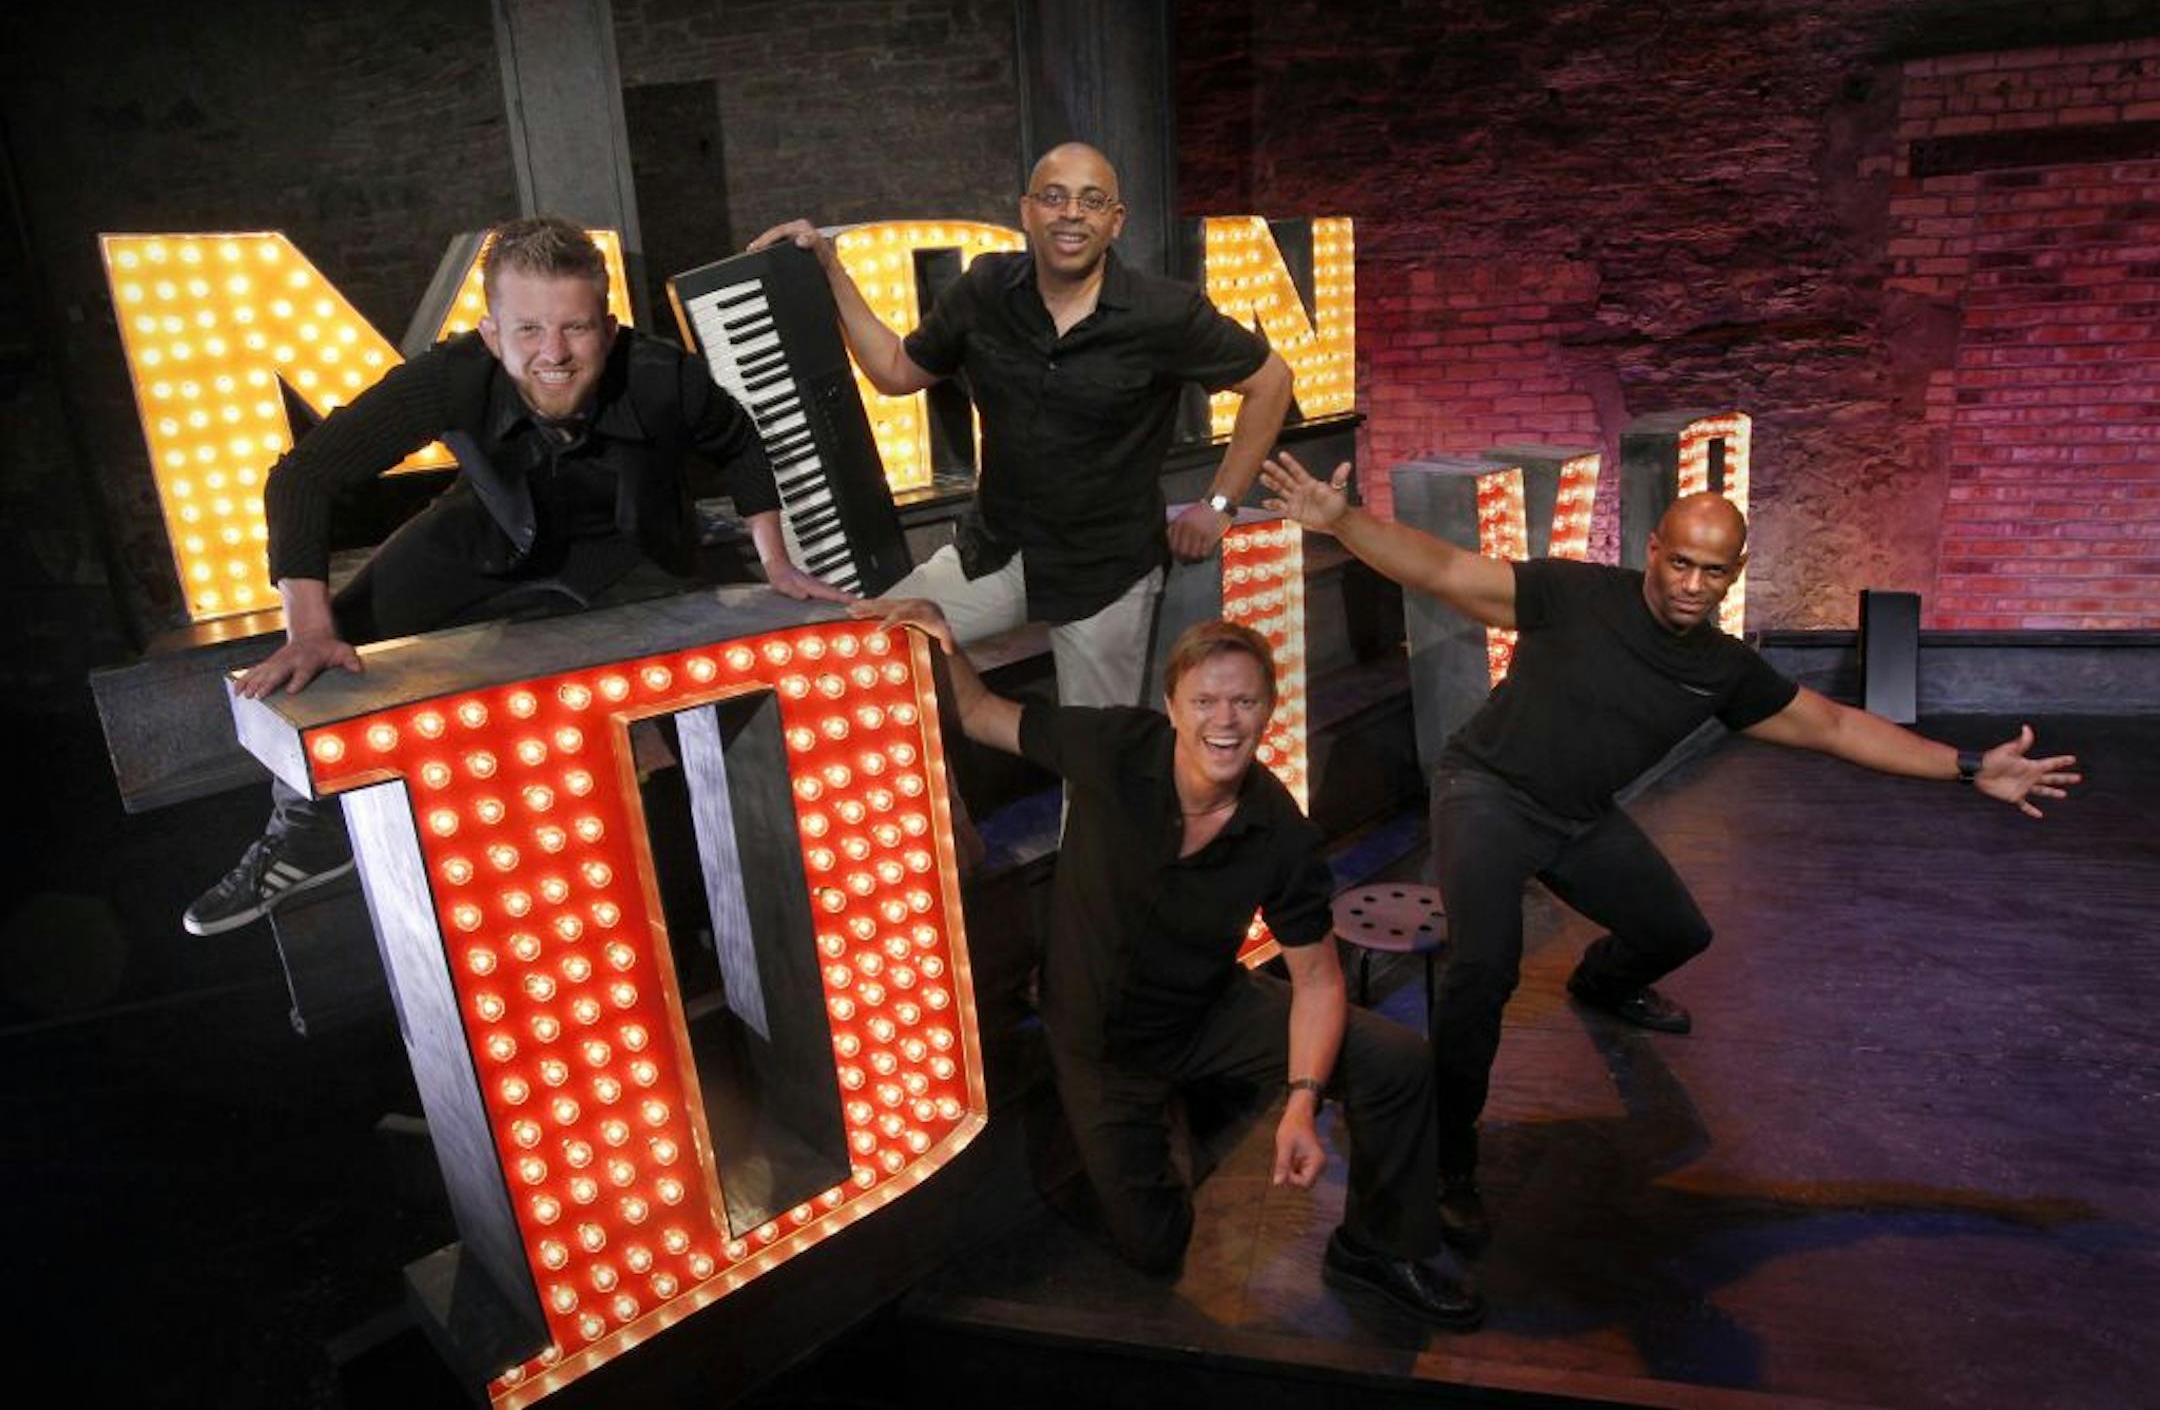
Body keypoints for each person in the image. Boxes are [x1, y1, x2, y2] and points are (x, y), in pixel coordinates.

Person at [1259, 453, 2082, 1250]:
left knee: (1679, 933)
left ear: (1734, 573)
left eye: (1713, 572)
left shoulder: (1724, 670)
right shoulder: (1572, 593)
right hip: (1488, 791)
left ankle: (1601, 980)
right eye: (1680, 562)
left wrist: (1967, 767)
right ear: (1652, 549)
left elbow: (1833, 726)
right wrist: (1344, 522)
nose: (1693, 585)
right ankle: (1448, 1160)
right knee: (1482, 971)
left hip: (1579, 814)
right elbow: (1443, 568)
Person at [183, 216, 848, 937]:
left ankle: (673, 903)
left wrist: (777, 562)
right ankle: (308, 836)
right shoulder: (450, 376)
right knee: (335, 641)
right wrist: (309, 628)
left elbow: (740, 443)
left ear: (609, 327)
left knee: (646, 722)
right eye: (528, 330)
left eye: (576, 329)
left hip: (625, 551)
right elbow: (303, 478)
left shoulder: (665, 377)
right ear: (492, 333)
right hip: (491, 527)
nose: (553, 354)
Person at [857, 597, 1483, 1328]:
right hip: (1098, 1043)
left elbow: (1318, 980)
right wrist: (944, 636)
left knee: (1397, 1061)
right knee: (1156, 1248)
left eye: (1244, 700)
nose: (1225, 720)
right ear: (1172, 706)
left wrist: (1303, 1102)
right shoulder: (1117, 745)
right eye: (1206, 700)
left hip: (1206, 1010)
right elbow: (983, 715)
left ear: (1268, 710)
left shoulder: (1279, 829)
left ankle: (1377, 1246)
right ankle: (1175, 1111)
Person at [752, 141, 1295, 708]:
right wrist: (829, 268)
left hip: (1105, 574)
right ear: (1027, 211)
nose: (1071, 213)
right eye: (1054, 197)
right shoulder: (986, 290)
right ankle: (951, 798)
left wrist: (1219, 506)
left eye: (1091, 201)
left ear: (1116, 221)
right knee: (867, 657)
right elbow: (894, 371)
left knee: (1094, 767)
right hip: (994, 554)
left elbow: (1271, 381)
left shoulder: (1164, 312)